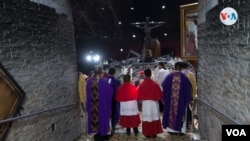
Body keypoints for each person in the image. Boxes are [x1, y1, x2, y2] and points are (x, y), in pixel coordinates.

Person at [161, 62, 192, 135]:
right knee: (180, 112)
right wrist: (187, 98)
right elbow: (189, 88)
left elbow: (163, 86)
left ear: (174, 67)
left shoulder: (169, 77)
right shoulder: (184, 78)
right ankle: (180, 130)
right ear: (181, 68)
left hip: (170, 101)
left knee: (170, 112)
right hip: (180, 101)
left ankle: (171, 130)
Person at [86, 67, 114, 141]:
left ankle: (96, 134)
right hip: (102, 106)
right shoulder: (104, 81)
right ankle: (102, 133)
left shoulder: (89, 81)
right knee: (102, 119)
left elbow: (88, 93)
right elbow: (110, 92)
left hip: (92, 106)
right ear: (101, 73)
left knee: (95, 119)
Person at [137, 68, 163, 139]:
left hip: (146, 104)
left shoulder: (142, 84)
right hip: (154, 103)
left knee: (147, 118)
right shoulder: (155, 84)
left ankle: (147, 133)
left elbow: (138, 95)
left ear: (144, 75)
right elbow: (160, 94)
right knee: (154, 117)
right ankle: (154, 133)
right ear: (151, 74)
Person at [181, 61, 197, 130]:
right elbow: (194, 85)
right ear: (187, 66)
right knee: (188, 109)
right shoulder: (190, 75)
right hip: (187, 95)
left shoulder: (179, 74)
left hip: (180, 95)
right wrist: (193, 95)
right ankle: (188, 123)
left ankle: (181, 124)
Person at [106, 67, 121, 134]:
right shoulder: (117, 82)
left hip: (105, 100)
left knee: (106, 114)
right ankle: (113, 127)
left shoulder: (103, 81)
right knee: (114, 113)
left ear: (108, 73)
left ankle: (106, 127)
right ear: (114, 73)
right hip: (114, 100)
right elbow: (119, 91)